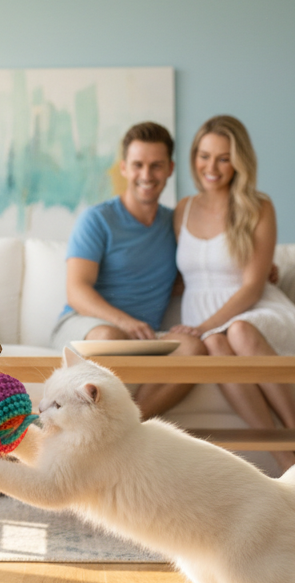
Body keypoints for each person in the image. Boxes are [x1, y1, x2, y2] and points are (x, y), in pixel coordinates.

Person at [164, 114, 295, 470]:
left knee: (238, 332)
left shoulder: (258, 206)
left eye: (223, 158)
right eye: (204, 156)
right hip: (210, 326)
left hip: (256, 313)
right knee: (216, 343)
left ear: (239, 161)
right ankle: (287, 462)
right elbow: (187, 274)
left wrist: (203, 327)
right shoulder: (183, 209)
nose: (211, 167)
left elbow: (252, 287)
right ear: (194, 157)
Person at [50, 122, 207, 412]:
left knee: (193, 348)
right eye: (138, 165)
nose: (146, 175)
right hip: (87, 326)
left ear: (170, 169)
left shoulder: (176, 223)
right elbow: (77, 290)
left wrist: (259, 269)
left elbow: (210, 260)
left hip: (142, 337)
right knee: (110, 338)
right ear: (124, 168)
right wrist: (124, 322)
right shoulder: (97, 219)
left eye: (156, 166)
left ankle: (133, 423)